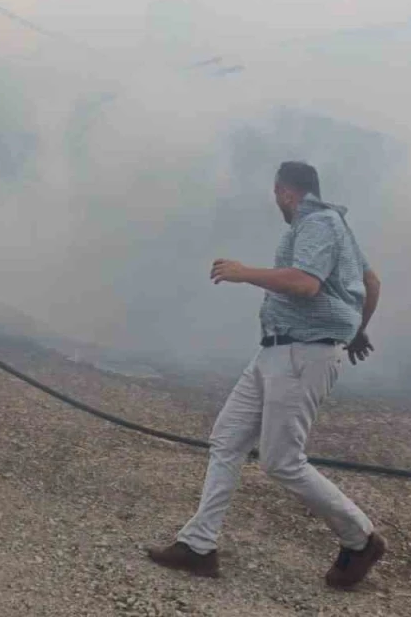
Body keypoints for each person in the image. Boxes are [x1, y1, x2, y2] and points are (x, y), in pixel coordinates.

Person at [146, 161, 385, 589]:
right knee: (228, 437)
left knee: (282, 461)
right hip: (277, 351)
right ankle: (199, 545)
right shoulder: (337, 226)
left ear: (286, 193)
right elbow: (371, 281)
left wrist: (243, 274)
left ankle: (360, 538)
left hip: (301, 355)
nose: (277, 202)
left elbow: (306, 283)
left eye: (277, 195)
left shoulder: (316, 222)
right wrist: (356, 329)